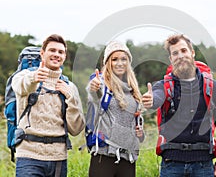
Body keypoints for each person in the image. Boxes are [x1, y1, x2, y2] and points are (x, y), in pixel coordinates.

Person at [142, 34, 216, 177]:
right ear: (171, 59)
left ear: (192, 53)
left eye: (183, 50)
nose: (180, 56)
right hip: (171, 164)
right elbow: (157, 97)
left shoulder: (213, 87)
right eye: (175, 53)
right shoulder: (163, 86)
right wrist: (151, 101)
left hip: (203, 164)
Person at [12, 34, 86, 177]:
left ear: (64, 57)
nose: (56, 55)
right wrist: (34, 78)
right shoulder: (23, 76)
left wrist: (70, 98)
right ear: (42, 53)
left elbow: (76, 129)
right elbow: (21, 87)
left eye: (61, 52)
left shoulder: (70, 87)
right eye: (52, 50)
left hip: (58, 158)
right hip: (29, 155)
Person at [87, 41, 144, 177]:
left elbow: (136, 124)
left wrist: (141, 134)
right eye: (114, 59)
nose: (120, 63)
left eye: (124, 59)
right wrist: (92, 88)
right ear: (108, 63)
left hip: (128, 157)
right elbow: (93, 96)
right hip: (104, 155)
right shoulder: (101, 85)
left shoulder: (133, 91)